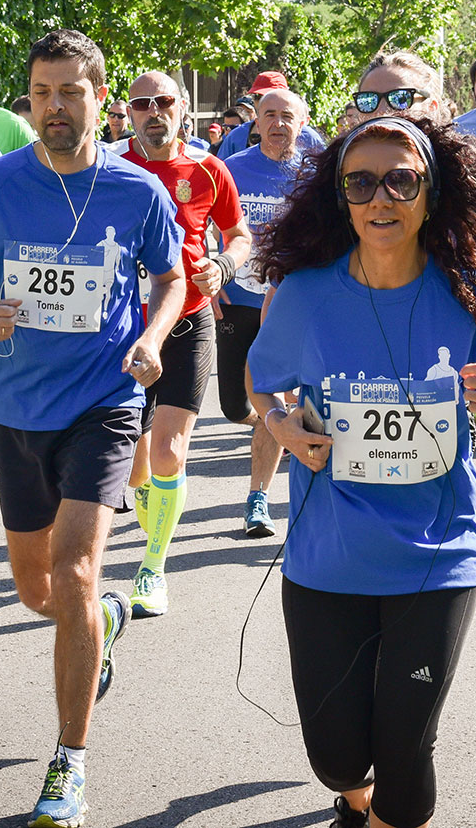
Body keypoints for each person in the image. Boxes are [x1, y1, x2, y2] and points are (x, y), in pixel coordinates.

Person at [247, 114, 476, 828]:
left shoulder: (469, 292)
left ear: (431, 195)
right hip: (328, 557)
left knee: (406, 752)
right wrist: (283, 425)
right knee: (338, 759)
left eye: (402, 181)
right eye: (362, 182)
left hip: (436, 560)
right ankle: (353, 798)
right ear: (342, 197)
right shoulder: (308, 294)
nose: (382, 198)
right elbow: (262, 384)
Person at [0, 28, 185, 828]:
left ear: (98, 98)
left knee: (74, 572)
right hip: (14, 410)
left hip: (104, 403)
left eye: (70, 92)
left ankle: (69, 765)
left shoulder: (137, 192)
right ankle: (101, 623)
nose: (54, 107)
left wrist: (150, 337)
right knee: (41, 591)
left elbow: (170, 276)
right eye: (41, 93)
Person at [118, 70, 248, 617]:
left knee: (170, 450)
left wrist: (223, 264)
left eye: (163, 102)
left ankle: (152, 567)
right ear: (127, 113)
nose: (153, 111)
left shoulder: (208, 169)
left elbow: (240, 235)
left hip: (190, 321)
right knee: (134, 461)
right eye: (141, 103)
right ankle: (152, 519)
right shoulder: (110, 166)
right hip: (122, 327)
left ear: (183, 110)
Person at [216, 86, 307, 538]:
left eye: (286, 115)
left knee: (270, 396)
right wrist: (211, 278)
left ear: (301, 123)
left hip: (290, 305)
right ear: (256, 122)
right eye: (269, 115)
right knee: (235, 405)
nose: (277, 123)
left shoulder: (311, 177)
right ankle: (275, 420)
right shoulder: (231, 170)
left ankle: (258, 499)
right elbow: (198, 227)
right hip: (239, 298)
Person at [219, 71, 328, 160]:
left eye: (270, 95)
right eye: (257, 96)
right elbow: (219, 176)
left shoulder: (309, 137)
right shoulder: (236, 136)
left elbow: (324, 174)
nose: (264, 101)